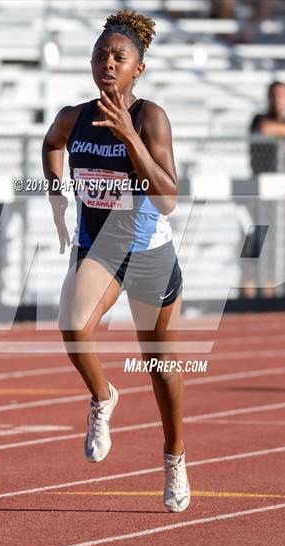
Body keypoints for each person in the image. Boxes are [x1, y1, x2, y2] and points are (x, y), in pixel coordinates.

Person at [42, 10, 190, 513]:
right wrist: (57, 194)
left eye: (119, 57)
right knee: (71, 324)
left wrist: (128, 135)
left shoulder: (150, 117)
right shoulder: (73, 117)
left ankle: (174, 457)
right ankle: (103, 396)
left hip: (146, 250)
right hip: (97, 247)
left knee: (160, 366)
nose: (108, 62)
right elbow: (51, 144)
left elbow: (168, 196)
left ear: (138, 69)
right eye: (101, 55)